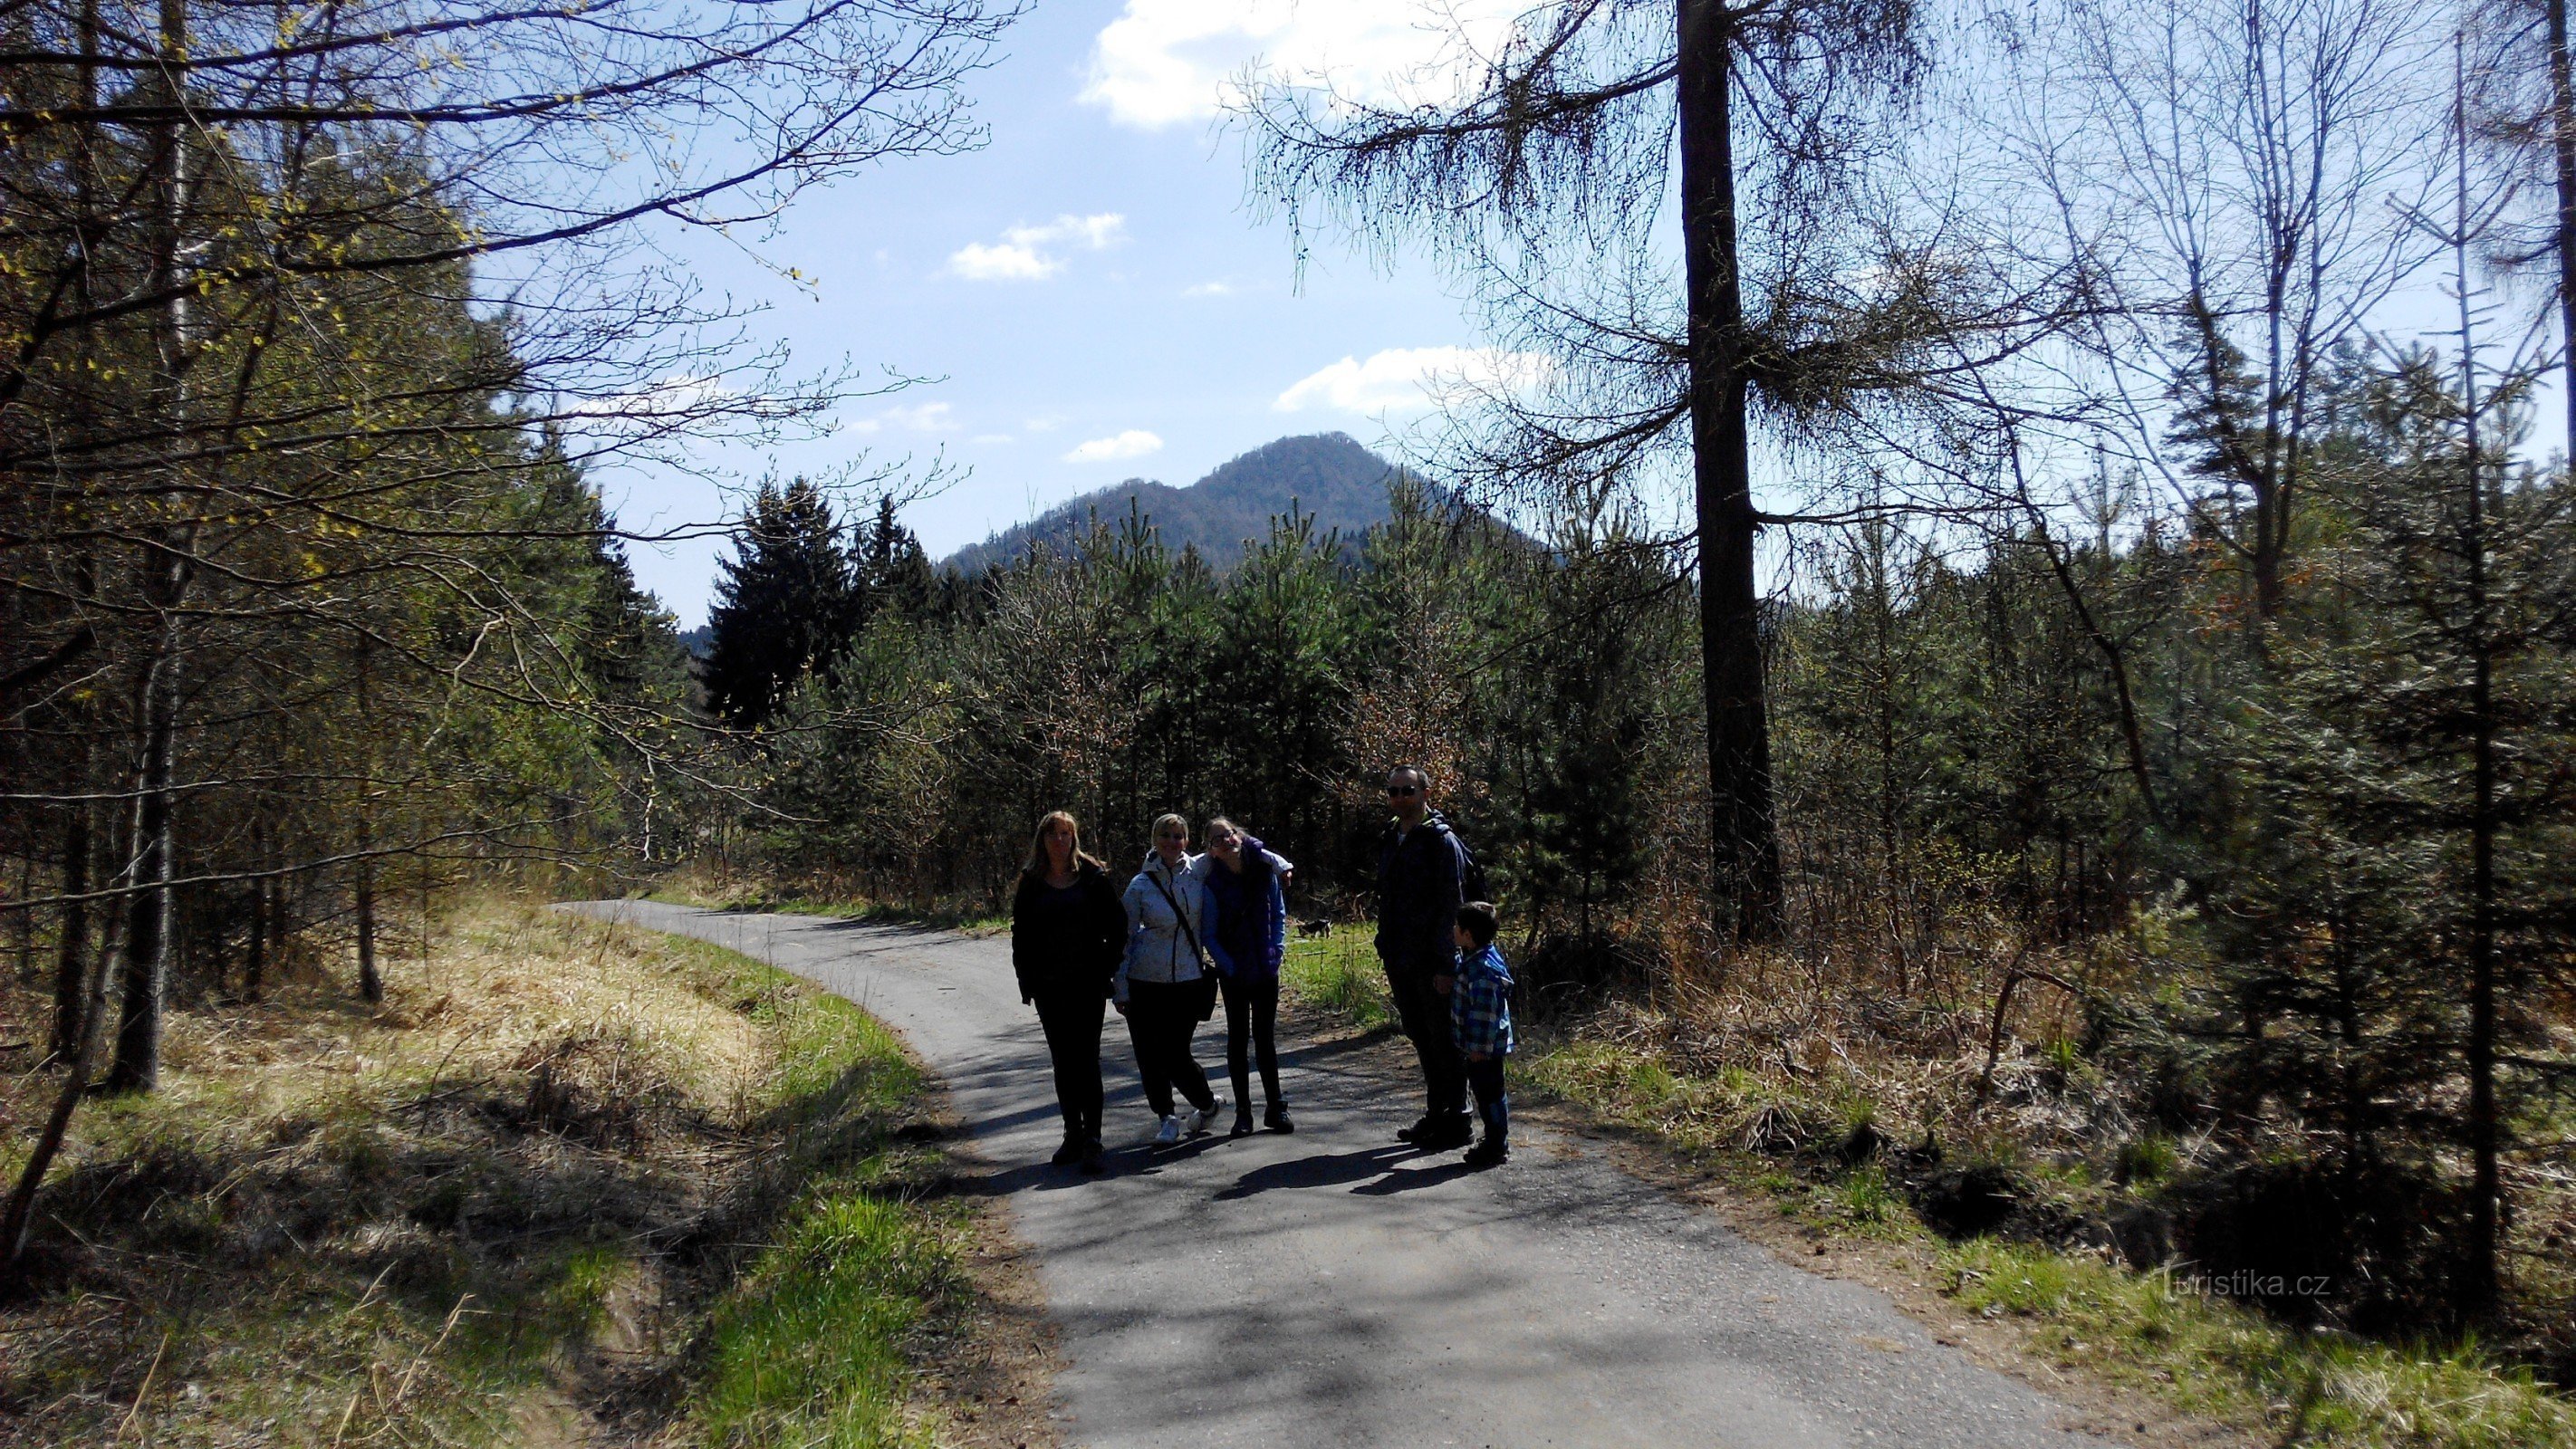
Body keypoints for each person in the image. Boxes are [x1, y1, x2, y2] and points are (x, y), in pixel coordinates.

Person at [1009, 811, 1126, 1174]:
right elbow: (1021, 936)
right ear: (1042, 840)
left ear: (1074, 837)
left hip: (1087, 986)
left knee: (1087, 1061)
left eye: (1066, 833)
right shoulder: (1031, 882)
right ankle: (1071, 1134)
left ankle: (1093, 1138)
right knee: (1063, 1061)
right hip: (1049, 987)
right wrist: (1026, 980)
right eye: (1052, 834)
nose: (1059, 840)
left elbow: (1118, 926)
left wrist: (1105, 967)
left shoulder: (1092, 877)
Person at [1375, 764, 1475, 1149]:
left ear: (1425, 794)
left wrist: (1448, 964)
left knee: (1444, 1041)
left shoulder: (1440, 841)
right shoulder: (1390, 837)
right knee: (1420, 1036)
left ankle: (1459, 1119)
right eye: (1394, 791)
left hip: (1432, 960)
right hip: (1400, 957)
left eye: (1408, 790)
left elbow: (1453, 904)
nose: (1400, 797)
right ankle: (1437, 1115)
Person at [1117, 813, 1226, 1144]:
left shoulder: (1200, 870)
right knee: (1150, 1056)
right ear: (1154, 839)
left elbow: (1239, 845)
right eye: (1165, 835)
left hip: (1188, 980)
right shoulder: (1139, 885)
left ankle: (1207, 1104)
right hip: (1144, 982)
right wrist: (1120, 987)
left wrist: (1280, 866)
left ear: (1188, 840)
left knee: (1177, 1055)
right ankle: (1166, 1117)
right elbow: (1125, 939)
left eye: (1178, 836)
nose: (1172, 842)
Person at [1203, 816, 1294, 1136]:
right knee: (1238, 1040)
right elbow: (1209, 934)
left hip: (1266, 967)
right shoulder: (1212, 884)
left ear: (1238, 835)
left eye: (1228, 834)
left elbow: (1279, 914)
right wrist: (1228, 966)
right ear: (1212, 851)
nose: (1226, 841)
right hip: (1234, 973)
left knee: (1266, 1039)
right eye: (1217, 840)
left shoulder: (1263, 870)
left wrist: (1277, 950)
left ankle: (1276, 1107)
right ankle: (1244, 1114)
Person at [1448, 901, 1515, 1167]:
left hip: (1484, 1049)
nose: (1453, 929)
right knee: (1486, 1092)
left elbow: (1484, 1014)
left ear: (1468, 935)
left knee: (1490, 1095)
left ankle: (1497, 1144)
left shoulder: (1483, 970)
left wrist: (1477, 1047)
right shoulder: (1475, 958)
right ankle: (1493, 1140)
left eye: (1457, 926)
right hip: (1480, 1047)